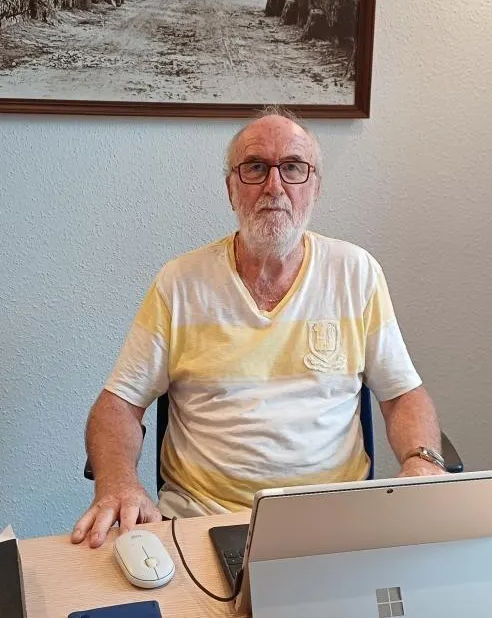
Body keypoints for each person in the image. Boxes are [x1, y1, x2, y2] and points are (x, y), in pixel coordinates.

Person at [72, 106, 445, 549]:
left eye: (293, 168)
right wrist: (118, 484)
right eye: (255, 168)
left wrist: (422, 461)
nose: (274, 186)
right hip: (202, 524)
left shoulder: (355, 272)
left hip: (335, 523)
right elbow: (118, 405)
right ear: (231, 189)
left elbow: (403, 396)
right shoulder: (180, 283)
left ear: (315, 188)